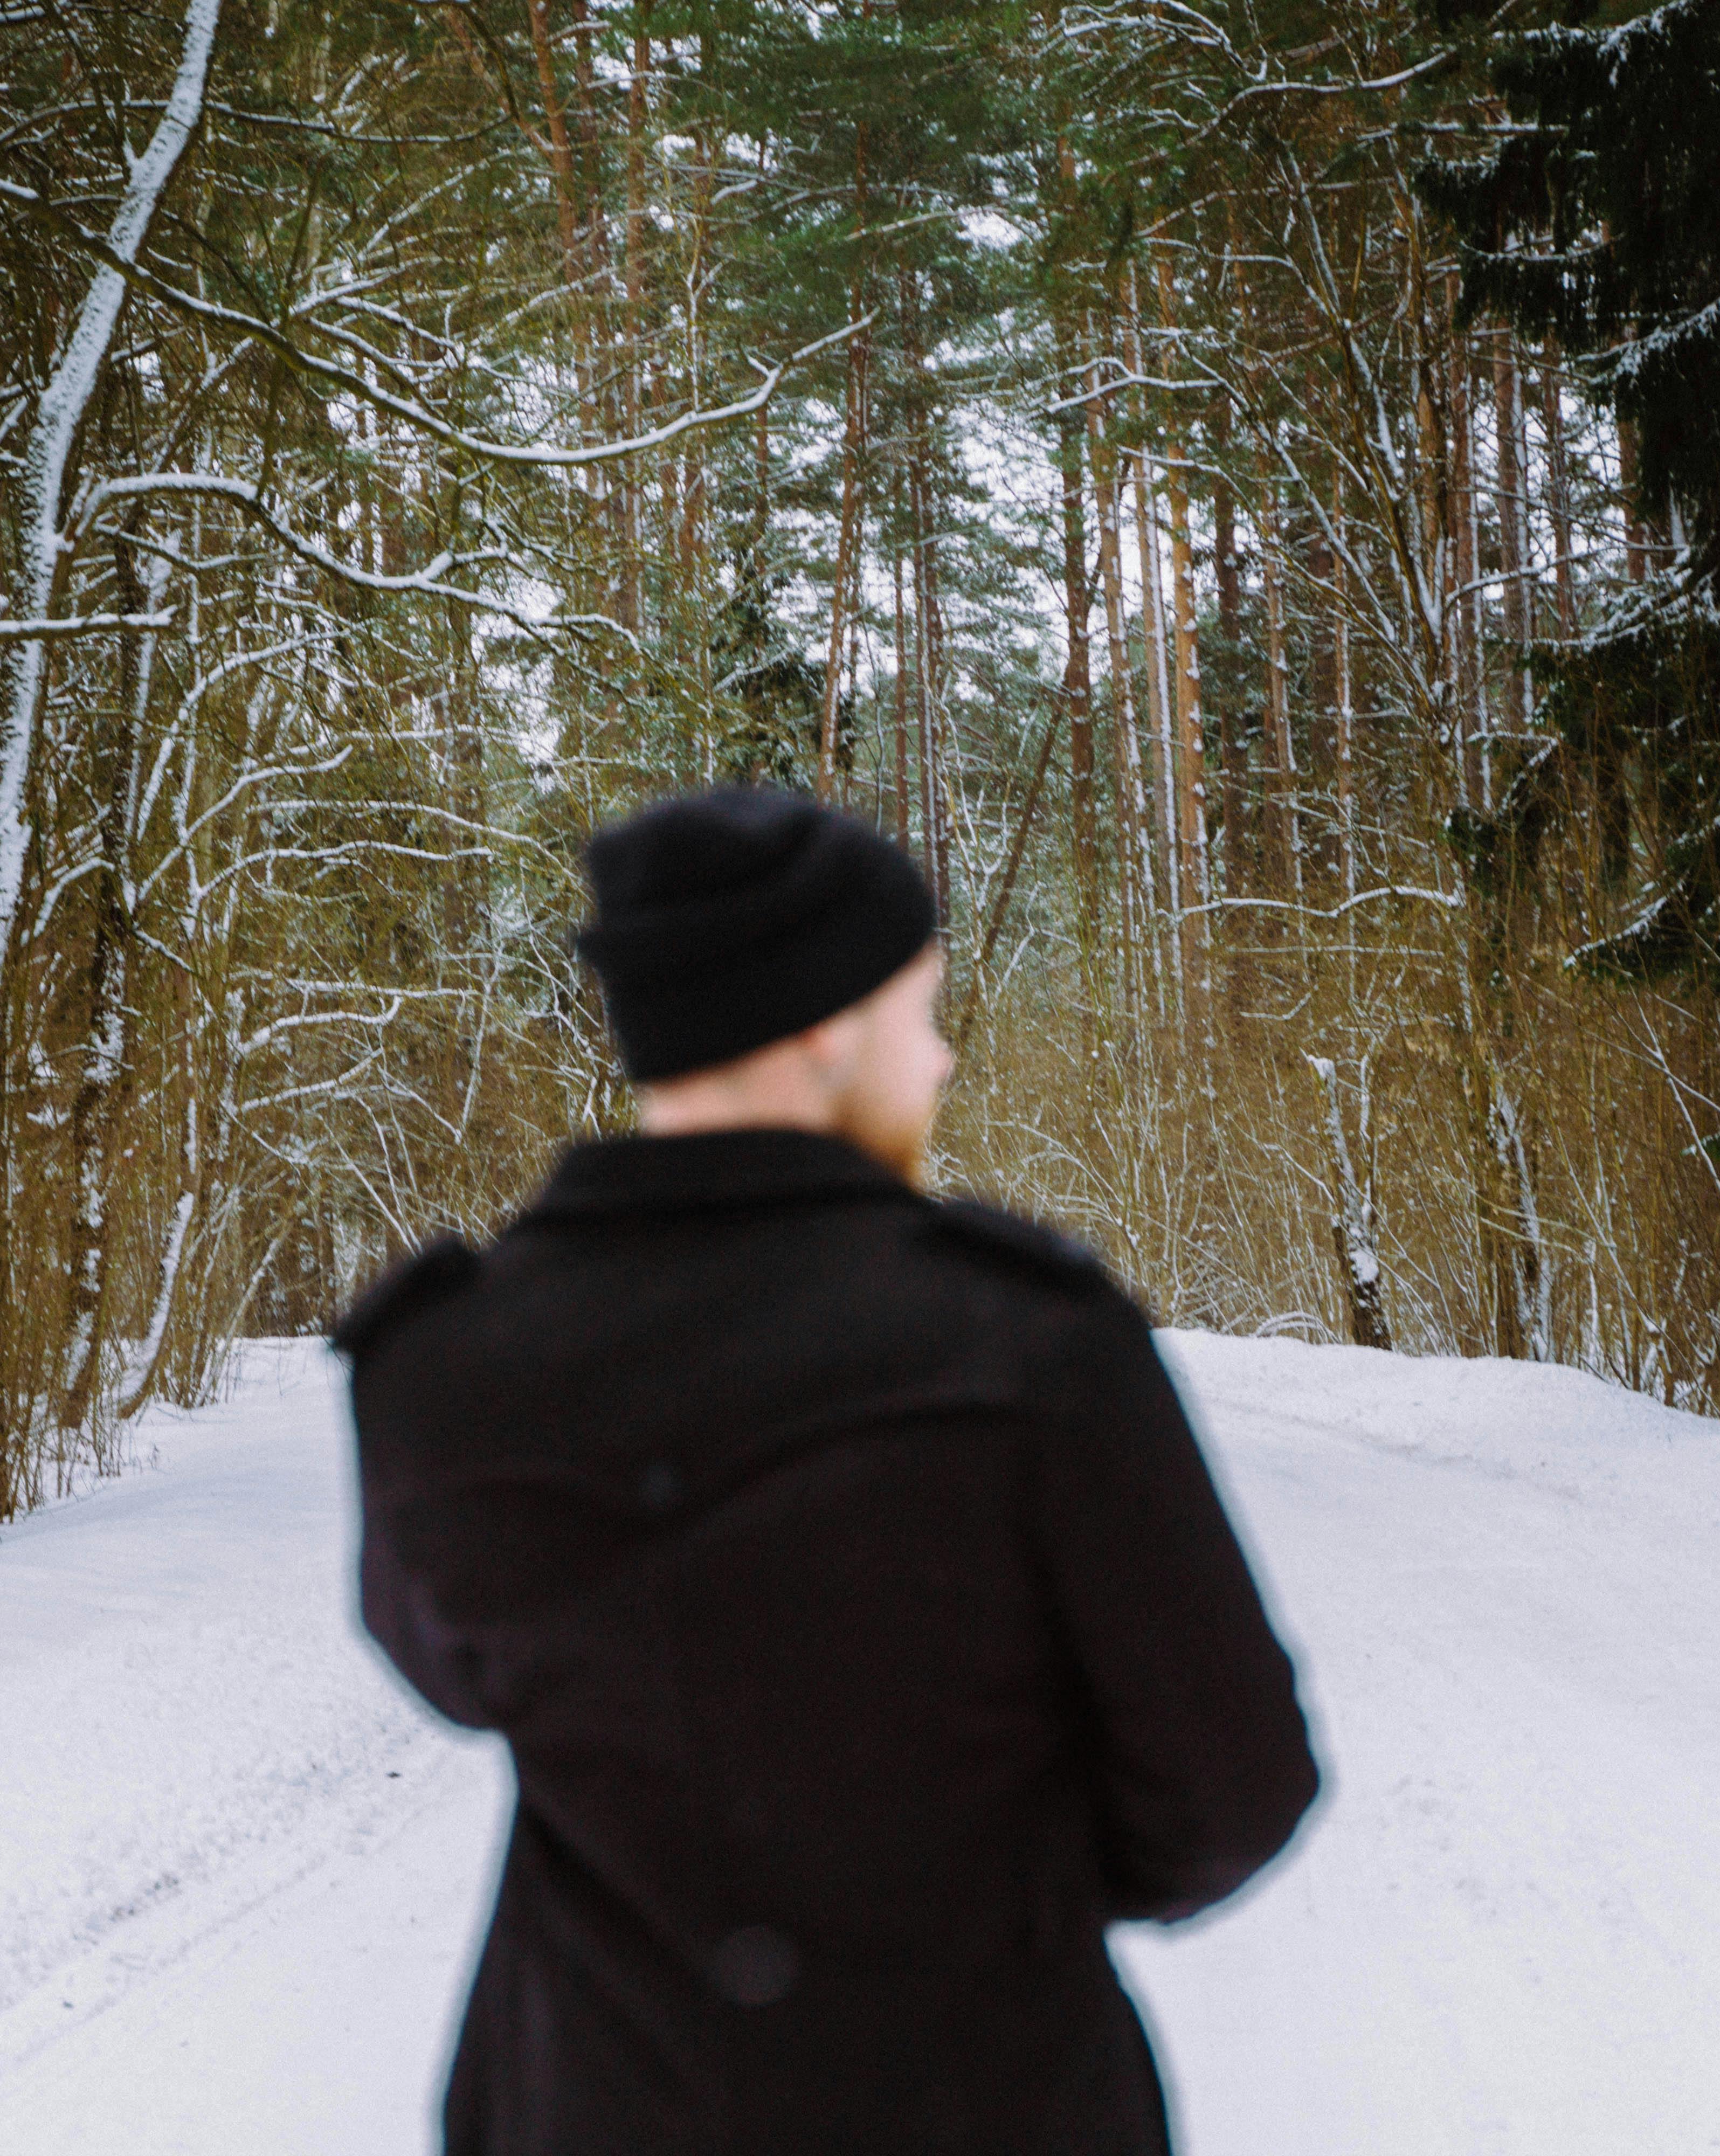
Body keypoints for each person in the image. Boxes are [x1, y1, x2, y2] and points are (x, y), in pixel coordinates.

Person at [334, 789, 1317, 2156]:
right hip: (991, 2105)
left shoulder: (441, 1363)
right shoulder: (1027, 1337)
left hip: (590, 2107)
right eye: (923, 1010)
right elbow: (1234, 1783)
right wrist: (1006, 1888)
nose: (943, 1057)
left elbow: (451, 1668)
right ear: (827, 1025)